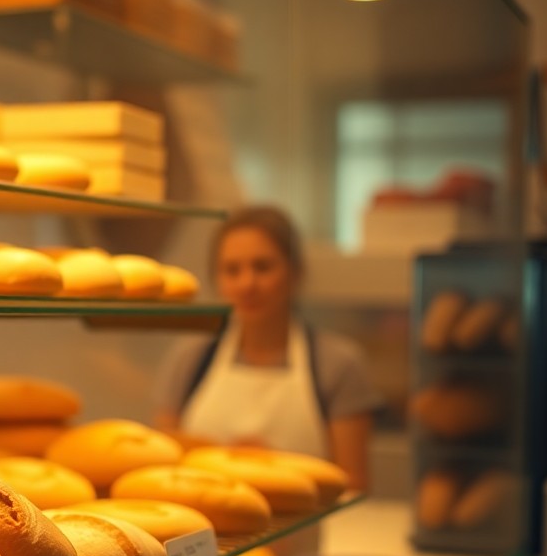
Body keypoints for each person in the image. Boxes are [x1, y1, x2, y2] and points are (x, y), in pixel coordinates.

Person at [155, 205, 382, 495]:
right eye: (232, 270)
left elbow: (354, 483)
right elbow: (163, 466)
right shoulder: (190, 358)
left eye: (263, 267)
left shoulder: (337, 363)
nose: (247, 283)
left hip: (301, 539)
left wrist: (274, 468)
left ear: (295, 273)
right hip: (209, 538)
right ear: (217, 280)